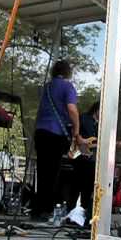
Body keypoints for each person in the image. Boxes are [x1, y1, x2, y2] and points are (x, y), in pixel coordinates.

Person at [32, 60, 84, 220]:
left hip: (41, 132)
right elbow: (72, 109)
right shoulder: (68, 87)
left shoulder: (46, 87)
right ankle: (47, 209)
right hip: (56, 133)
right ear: (68, 72)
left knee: (42, 172)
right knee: (53, 173)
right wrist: (76, 130)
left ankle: (37, 210)